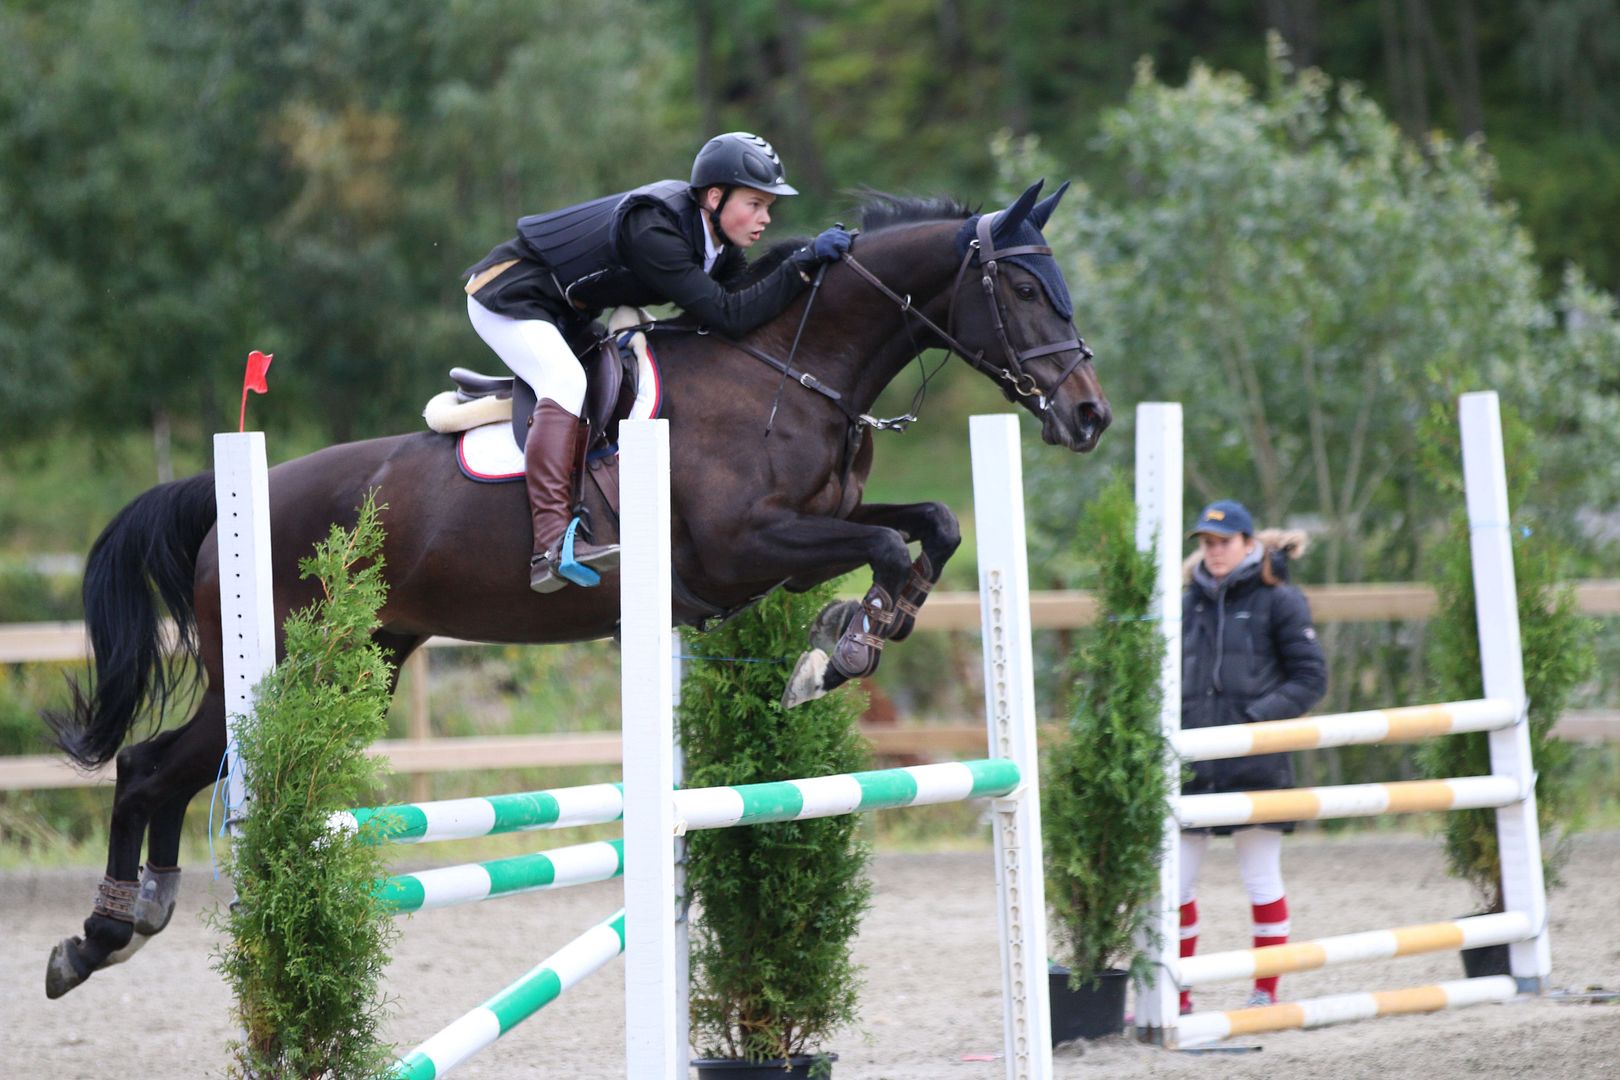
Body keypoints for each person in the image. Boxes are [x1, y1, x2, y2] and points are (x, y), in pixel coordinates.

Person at [463, 132, 852, 593]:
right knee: (564, 381)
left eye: (769, 207)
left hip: (566, 312)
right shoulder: (653, 229)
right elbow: (730, 315)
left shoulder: (718, 244)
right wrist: (802, 262)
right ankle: (550, 545)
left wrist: (798, 257)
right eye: (756, 204)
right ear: (715, 196)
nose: (765, 218)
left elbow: (745, 298)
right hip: (509, 294)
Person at [1178, 499, 1327, 1012]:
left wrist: (1254, 723)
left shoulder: (1280, 599)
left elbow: (1310, 678)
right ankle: (1176, 996)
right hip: (1192, 763)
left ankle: (1266, 992)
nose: (1214, 552)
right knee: (1171, 882)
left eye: (1223, 543)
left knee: (1260, 878)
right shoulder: (1186, 602)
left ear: (1247, 544)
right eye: (1206, 543)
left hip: (1254, 760)